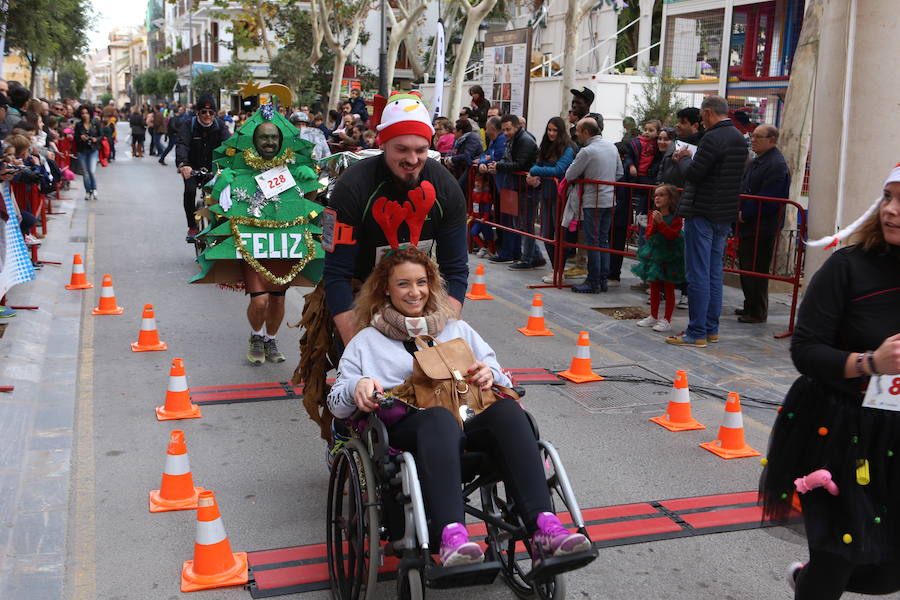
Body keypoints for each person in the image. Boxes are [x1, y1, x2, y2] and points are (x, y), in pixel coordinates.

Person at [326, 246, 591, 567]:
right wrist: (358, 386)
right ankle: (453, 537)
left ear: (431, 284)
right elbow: (337, 405)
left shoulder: (456, 329)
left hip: (467, 419)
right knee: (438, 419)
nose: (415, 292)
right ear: (386, 288)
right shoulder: (367, 341)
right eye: (404, 284)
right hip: (413, 430)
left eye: (421, 282)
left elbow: (500, 376)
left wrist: (487, 373)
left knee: (507, 412)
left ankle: (544, 527)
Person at [296, 91, 469, 443]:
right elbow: (337, 274)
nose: (412, 159)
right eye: (401, 150)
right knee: (360, 369)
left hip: (417, 286)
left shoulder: (446, 188)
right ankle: (346, 433)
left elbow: (456, 270)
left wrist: (443, 334)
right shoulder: (351, 188)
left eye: (420, 150)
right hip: (359, 286)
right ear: (382, 143)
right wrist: (360, 346)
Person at [760, 163, 900, 600]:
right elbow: (806, 349)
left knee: (886, 575)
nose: (892, 210)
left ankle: (807, 578)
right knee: (839, 555)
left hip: (897, 436)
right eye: (889, 197)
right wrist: (870, 362)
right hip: (842, 430)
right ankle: (816, 580)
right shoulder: (849, 267)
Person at [190, 103, 322, 364]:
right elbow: (217, 202)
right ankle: (256, 335)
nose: (269, 142)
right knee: (260, 301)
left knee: (278, 300)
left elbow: (311, 203)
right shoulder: (239, 172)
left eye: (274, 137)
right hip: (251, 243)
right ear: (255, 140)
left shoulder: (293, 171)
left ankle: (271, 340)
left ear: (281, 140)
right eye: (264, 137)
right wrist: (221, 184)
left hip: (285, 244)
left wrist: (310, 180)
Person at [666, 96, 747, 347]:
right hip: (724, 213)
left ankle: (696, 331)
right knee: (713, 272)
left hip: (702, 211)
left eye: (701, 115)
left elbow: (695, 174)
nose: (701, 120)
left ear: (709, 112)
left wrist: (684, 158)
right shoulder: (738, 138)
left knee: (698, 273)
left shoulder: (712, 137)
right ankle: (711, 329)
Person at [736, 124, 790, 324]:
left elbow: (770, 199)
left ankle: (757, 310)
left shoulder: (776, 164)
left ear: (772, 140)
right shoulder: (757, 161)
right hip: (749, 224)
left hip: (762, 226)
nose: (754, 139)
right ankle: (750, 304)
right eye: (753, 135)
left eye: (759, 136)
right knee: (746, 266)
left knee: (756, 268)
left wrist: (746, 213)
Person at [563, 117, 624, 293]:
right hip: (609, 199)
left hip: (593, 200)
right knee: (603, 240)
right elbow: (619, 172)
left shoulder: (587, 151)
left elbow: (570, 174)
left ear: (586, 132)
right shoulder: (611, 147)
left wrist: (590, 180)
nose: (576, 135)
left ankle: (593, 280)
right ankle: (602, 279)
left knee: (592, 241)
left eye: (578, 131)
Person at [521, 116, 575, 272]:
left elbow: (559, 170)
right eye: (549, 130)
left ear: (561, 131)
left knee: (559, 235)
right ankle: (555, 269)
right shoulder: (546, 146)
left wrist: (535, 171)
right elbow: (538, 163)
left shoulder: (568, 148)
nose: (551, 133)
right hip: (546, 193)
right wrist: (534, 173)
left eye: (555, 130)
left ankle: (559, 270)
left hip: (561, 196)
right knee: (546, 234)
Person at [175, 95, 231, 241]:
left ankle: (222, 225)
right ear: (197, 113)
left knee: (223, 193)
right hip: (192, 167)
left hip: (214, 167)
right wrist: (183, 164)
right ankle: (192, 226)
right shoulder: (188, 125)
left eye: (211, 112)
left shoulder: (220, 126)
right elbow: (182, 144)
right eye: (203, 112)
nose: (207, 115)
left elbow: (229, 146)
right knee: (190, 191)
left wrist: (230, 164)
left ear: (215, 114)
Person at [632, 185, 685, 332]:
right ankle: (653, 315)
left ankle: (667, 319)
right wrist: (655, 224)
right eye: (656, 195)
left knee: (668, 287)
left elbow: (672, 235)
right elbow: (648, 234)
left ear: (670, 198)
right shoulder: (653, 214)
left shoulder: (676, 217)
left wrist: (661, 223)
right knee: (653, 285)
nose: (657, 198)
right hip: (655, 254)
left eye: (662, 195)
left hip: (670, 254)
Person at [486, 114, 538, 265]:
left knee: (525, 224)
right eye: (504, 130)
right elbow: (507, 159)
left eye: (508, 129)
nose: (506, 133)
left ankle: (529, 258)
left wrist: (498, 166)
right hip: (515, 186)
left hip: (526, 188)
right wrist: (497, 165)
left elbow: (519, 164)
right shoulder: (512, 140)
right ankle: (531, 255)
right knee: (518, 224)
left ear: (517, 127)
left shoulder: (525, 141)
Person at [442, 119, 482, 188]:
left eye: (455, 129)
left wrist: (452, 159)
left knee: (458, 187)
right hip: (459, 169)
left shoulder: (472, 138)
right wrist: (447, 158)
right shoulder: (458, 139)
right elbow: (452, 150)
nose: (453, 131)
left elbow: (467, 155)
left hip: (470, 170)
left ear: (460, 131)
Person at [74, 105, 102, 201]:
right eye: (82, 113)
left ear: (90, 113)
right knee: (85, 173)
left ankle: (94, 189)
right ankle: (88, 191)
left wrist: (96, 139)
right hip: (82, 150)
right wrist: (81, 138)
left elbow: (101, 136)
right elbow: (75, 139)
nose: (85, 115)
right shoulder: (78, 125)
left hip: (93, 150)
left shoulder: (95, 123)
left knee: (92, 171)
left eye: (86, 113)